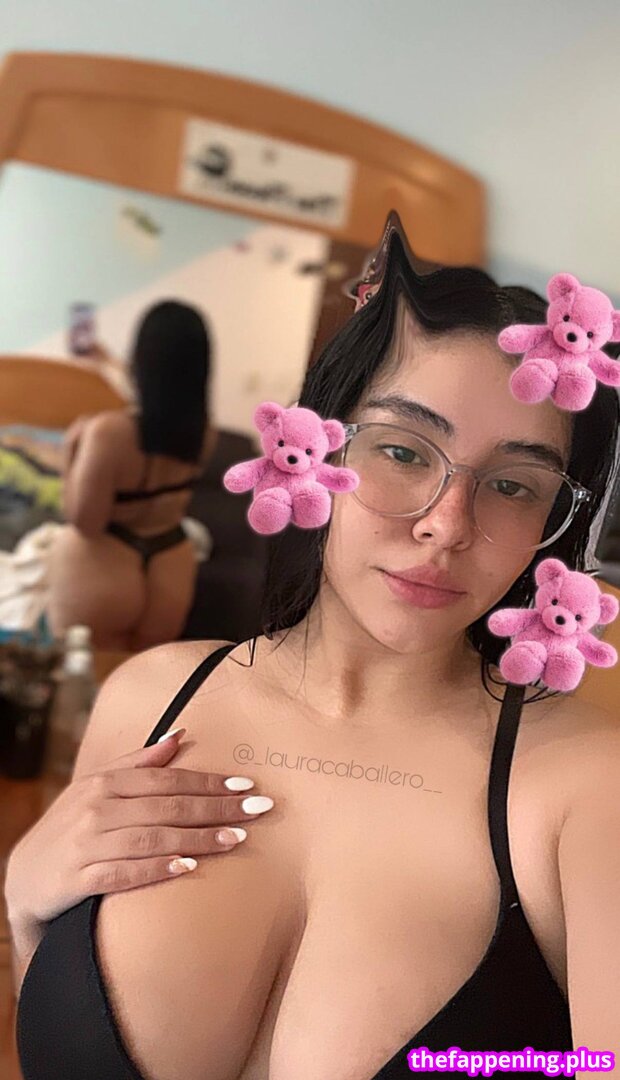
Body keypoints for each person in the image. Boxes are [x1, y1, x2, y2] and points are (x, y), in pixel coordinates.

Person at [7, 215, 620, 1079]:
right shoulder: (148, 699)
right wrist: (26, 907)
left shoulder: (584, 789)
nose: (446, 524)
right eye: (403, 450)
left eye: (514, 486)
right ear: (311, 453)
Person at [47, 300, 218, 651]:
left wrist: (70, 452)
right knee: (141, 679)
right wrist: (107, 362)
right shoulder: (205, 432)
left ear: (141, 357)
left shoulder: (107, 432)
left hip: (107, 569)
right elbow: (161, 401)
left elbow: (85, 523)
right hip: (172, 569)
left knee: (88, 677)